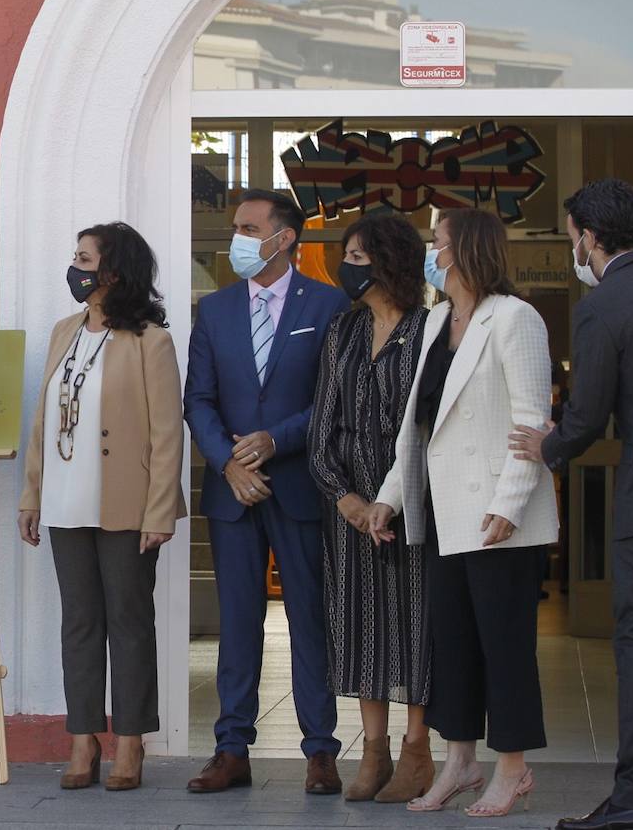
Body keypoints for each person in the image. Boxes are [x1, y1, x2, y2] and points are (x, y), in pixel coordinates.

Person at [368, 207, 556, 817]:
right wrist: (389, 497)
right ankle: (460, 762)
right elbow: (417, 427)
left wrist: (510, 504)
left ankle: (513, 769)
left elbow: (532, 420)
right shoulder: (438, 321)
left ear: (467, 249)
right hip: (445, 513)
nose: (432, 251)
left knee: (504, 647)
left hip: (499, 516)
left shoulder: (516, 318)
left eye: (439, 241)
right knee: (451, 645)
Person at [509, 180, 633, 830]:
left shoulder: (604, 306)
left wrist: (549, 445)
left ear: (590, 237)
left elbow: (589, 413)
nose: (573, 245)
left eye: (573, 233)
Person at [183, 189, 350, 795]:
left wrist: (273, 443)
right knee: (239, 623)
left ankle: (321, 751)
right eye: (237, 228)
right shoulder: (216, 308)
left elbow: (332, 400)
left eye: (250, 229)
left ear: (286, 239)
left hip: (300, 486)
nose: (239, 240)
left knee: (309, 617)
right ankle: (231, 750)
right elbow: (196, 399)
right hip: (233, 492)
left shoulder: (329, 305)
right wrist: (230, 461)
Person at [17, 222, 186, 792]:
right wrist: (32, 495)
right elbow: (43, 422)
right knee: (79, 624)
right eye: (76, 257)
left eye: (85, 258)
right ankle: (83, 737)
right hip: (64, 502)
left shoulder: (150, 341)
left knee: (130, 625)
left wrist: (160, 512)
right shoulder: (64, 331)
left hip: (126, 506)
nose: (76, 266)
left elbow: (168, 434)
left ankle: (132, 740)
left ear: (113, 271)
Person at [306, 211, 433, 803]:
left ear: (390, 263)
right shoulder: (344, 331)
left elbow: (436, 429)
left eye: (360, 258)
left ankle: (416, 752)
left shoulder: (431, 331)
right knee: (358, 626)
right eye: (348, 257)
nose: (348, 268)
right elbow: (321, 427)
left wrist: (390, 501)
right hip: (351, 510)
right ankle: (373, 753)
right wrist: (349, 500)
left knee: (414, 626)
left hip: (414, 506)